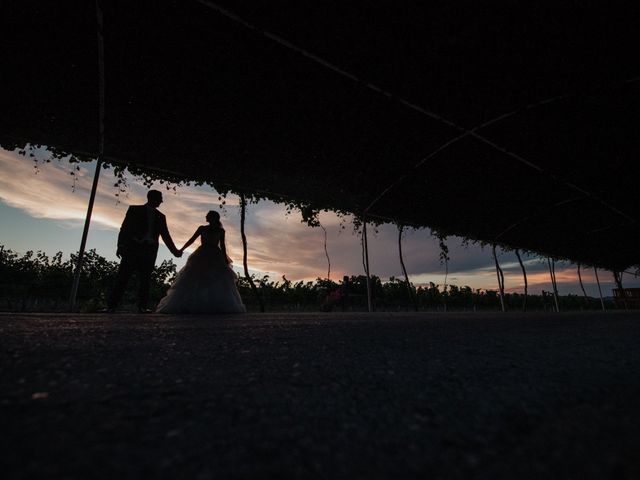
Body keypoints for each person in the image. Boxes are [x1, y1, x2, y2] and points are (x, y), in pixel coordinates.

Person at [105, 190, 182, 313]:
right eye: (160, 198)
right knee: (122, 277)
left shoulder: (161, 217)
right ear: (152, 198)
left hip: (149, 251)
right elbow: (124, 228)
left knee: (145, 280)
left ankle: (142, 307)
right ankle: (111, 306)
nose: (162, 201)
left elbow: (165, 235)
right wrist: (120, 245)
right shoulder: (134, 210)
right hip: (133, 248)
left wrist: (175, 251)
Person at [156, 210, 246, 314]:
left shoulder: (221, 231)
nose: (206, 217)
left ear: (213, 218)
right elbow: (192, 240)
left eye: (208, 216)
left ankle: (214, 304)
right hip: (202, 254)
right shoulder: (202, 228)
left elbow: (222, 246)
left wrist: (225, 259)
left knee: (216, 280)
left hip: (215, 256)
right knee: (196, 278)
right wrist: (182, 249)